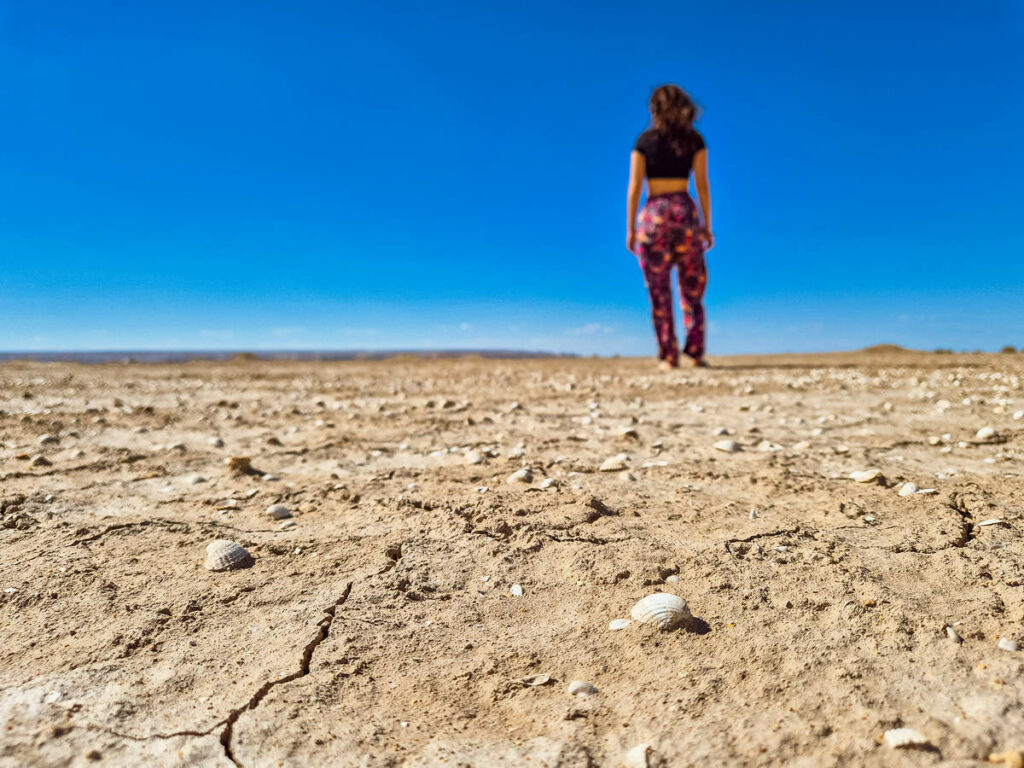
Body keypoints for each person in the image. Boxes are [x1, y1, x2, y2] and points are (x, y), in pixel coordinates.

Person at [626, 84, 713, 369]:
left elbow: (635, 187)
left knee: (658, 290)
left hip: (653, 216)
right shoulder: (694, 140)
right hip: (684, 213)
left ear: (655, 110)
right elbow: (702, 186)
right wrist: (706, 225)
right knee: (692, 286)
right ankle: (696, 351)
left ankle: (668, 355)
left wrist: (630, 229)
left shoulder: (644, 141)